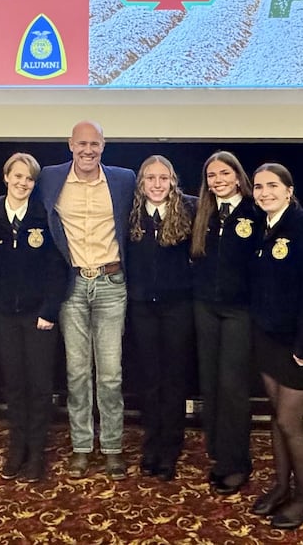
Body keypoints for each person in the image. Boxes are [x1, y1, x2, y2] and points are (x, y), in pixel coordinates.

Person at [36, 120, 136, 480]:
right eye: (82, 143)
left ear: (104, 145)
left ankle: (111, 447)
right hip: (72, 285)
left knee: (110, 375)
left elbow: (163, 199)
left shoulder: (124, 179)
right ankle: (81, 446)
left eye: (95, 143)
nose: (88, 150)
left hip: (112, 283)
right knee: (77, 373)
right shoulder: (50, 178)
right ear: (70, 144)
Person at [248, 163, 303, 530]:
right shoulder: (262, 228)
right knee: (276, 417)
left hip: (298, 344)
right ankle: (281, 487)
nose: (264, 192)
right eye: (258, 187)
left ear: (288, 190)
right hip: (268, 339)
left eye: (272, 186)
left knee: (289, 422)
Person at [0, 153, 68, 482]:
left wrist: (49, 310)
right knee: (15, 385)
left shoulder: (44, 216)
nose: (23, 183)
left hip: (39, 316)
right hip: (4, 313)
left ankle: (36, 451)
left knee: (39, 386)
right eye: (17, 176)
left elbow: (57, 267)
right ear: (6, 177)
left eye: (29, 178)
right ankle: (16, 447)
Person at [190, 150, 260, 495]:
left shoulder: (255, 211)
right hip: (205, 307)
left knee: (233, 387)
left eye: (223, 174)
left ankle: (237, 462)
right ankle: (219, 451)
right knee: (212, 383)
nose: (217, 180)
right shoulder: (204, 213)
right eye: (211, 176)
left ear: (237, 176)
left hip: (239, 311)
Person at [126, 155, 197, 482]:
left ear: (173, 181)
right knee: (149, 377)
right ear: (141, 183)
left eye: (163, 178)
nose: (157, 184)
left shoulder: (191, 211)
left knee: (174, 378)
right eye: (150, 178)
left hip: (178, 307)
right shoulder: (130, 215)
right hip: (142, 307)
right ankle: (151, 442)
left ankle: (171, 445)